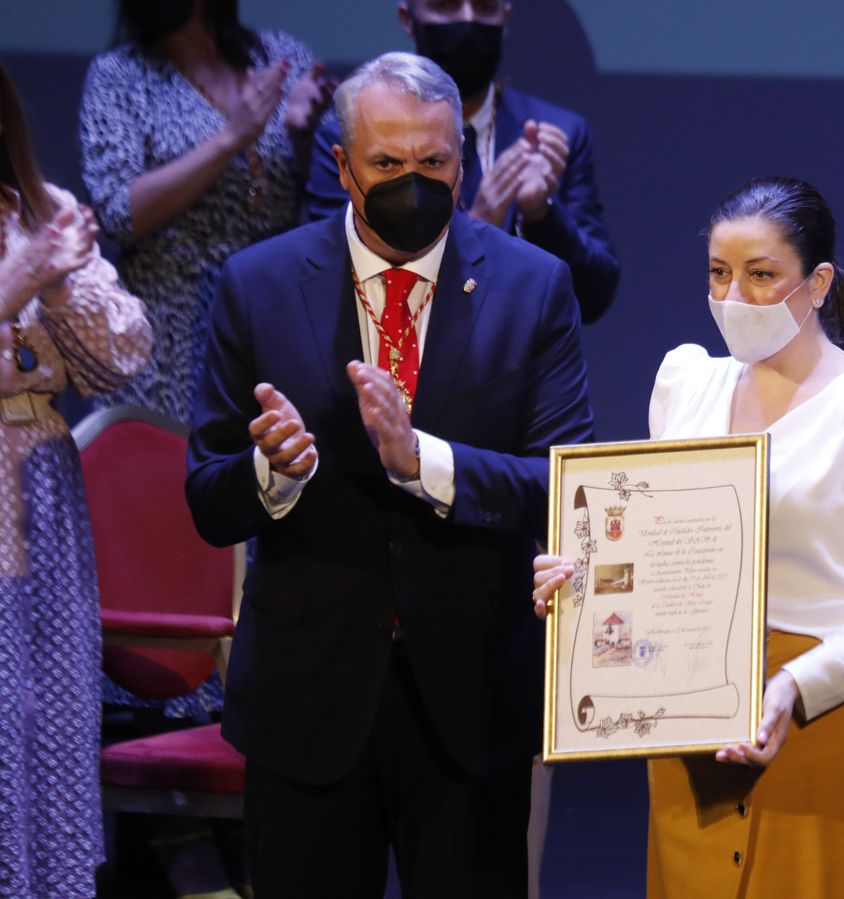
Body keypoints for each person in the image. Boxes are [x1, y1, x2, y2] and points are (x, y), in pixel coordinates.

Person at [184, 52, 594, 898]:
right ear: (342, 166)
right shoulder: (256, 285)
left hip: (470, 699)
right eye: (388, 163)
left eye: (435, 162)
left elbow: (565, 486)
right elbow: (207, 497)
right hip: (307, 699)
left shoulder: (534, 287)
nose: (416, 180)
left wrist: (424, 462)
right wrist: (273, 474)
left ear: (463, 159)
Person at [534, 176, 844, 897]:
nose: (735, 296)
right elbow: (657, 547)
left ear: (817, 283)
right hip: (693, 712)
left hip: (824, 714)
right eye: (719, 274)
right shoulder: (685, 382)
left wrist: (794, 684)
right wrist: (583, 583)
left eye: (762, 276)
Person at [0, 61, 153, 898]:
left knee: (46, 724)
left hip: (43, 492)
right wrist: (10, 286)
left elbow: (125, 352)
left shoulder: (40, 207)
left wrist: (56, 278)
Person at [80, 0, 335, 423]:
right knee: (169, 480)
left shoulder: (278, 56)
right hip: (168, 333)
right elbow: (118, 213)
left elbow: (328, 196)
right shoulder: (119, 76)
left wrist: (306, 137)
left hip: (273, 317)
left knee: (281, 472)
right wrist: (230, 138)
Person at [304, 0, 621, 324]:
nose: (467, 20)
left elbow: (594, 295)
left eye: (484, 8)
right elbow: (332, 283)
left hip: (521, 363)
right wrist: (476, 227)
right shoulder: (354, 135)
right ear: (407, 18)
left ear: (505, 18)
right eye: (446, 5)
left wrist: (542, 214)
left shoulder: (554, 133)